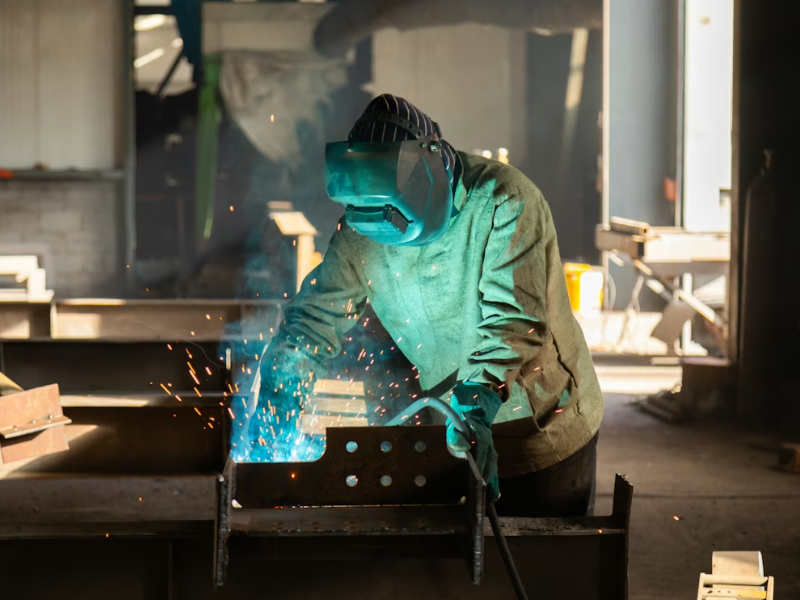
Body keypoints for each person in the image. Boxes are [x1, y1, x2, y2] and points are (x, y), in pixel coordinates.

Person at [248, 94, 603, 517]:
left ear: (434, 169)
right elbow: (312, 320)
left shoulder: (504, 202)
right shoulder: (361, 227)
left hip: (541, 425)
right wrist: (281, 389)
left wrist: (476, 403)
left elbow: (512, 322)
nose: (384, 233)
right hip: (448, 429)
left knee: (537, 564)